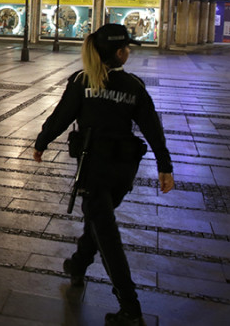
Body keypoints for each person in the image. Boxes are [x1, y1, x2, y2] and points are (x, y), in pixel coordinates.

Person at [33, 23, 174, 326]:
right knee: (99, 219)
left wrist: (41, 142)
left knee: (106, 235)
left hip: (93, 170)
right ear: (119, 53)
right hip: (123, 171)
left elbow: (61, 116)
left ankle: (130, 308)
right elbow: (153, 128)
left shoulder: (82, 82)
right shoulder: (134, 86)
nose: (129, 51)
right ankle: (78, 264)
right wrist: (165, 166)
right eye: (126, 47)